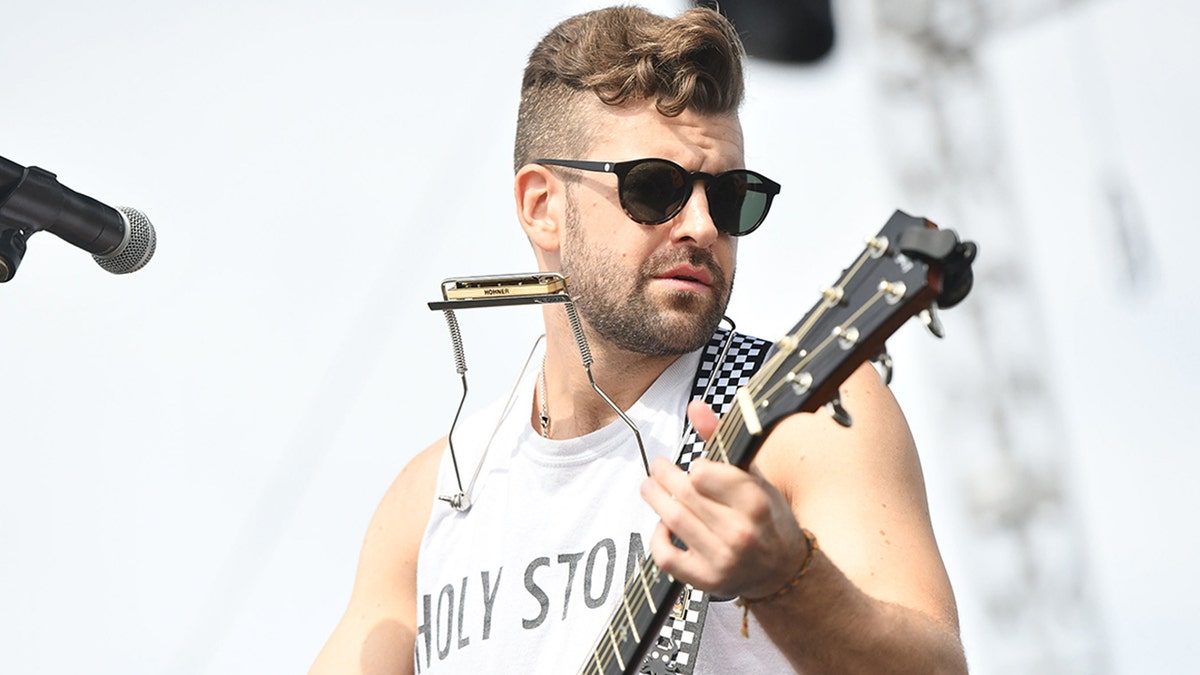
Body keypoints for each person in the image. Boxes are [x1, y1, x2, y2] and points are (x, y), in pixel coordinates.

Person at [311, 5, 966, 674]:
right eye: (656, 189)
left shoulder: (811, 418)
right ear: (542, 206)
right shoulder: (432, 500)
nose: (703, 226)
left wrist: (786, 576)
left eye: (732, 195)